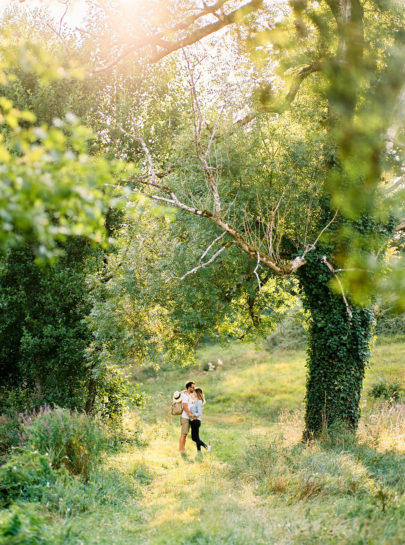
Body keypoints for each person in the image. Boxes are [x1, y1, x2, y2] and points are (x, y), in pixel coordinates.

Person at [189, 387, 211, 453]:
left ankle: (206, 446)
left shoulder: (199, 402)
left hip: (196, 421)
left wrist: (192, 415)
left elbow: (199, 413)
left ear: (197, 393)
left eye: (194, 392)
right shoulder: (196, 401)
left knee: (194, 438)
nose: (193, 393)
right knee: (196, 438)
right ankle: (199, 451)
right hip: (193, 421)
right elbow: (190, 396)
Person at [179, 380, 196, 453]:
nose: (194, 388)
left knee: (185, 434)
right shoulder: (185, 396)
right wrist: (190, 414)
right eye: (193, 387)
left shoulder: (190, 396)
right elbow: (185, 407)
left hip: (189, 417)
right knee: (183, 434)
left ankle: (183, 448)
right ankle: (181, 450)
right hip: (185, 417)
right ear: (189, 388)